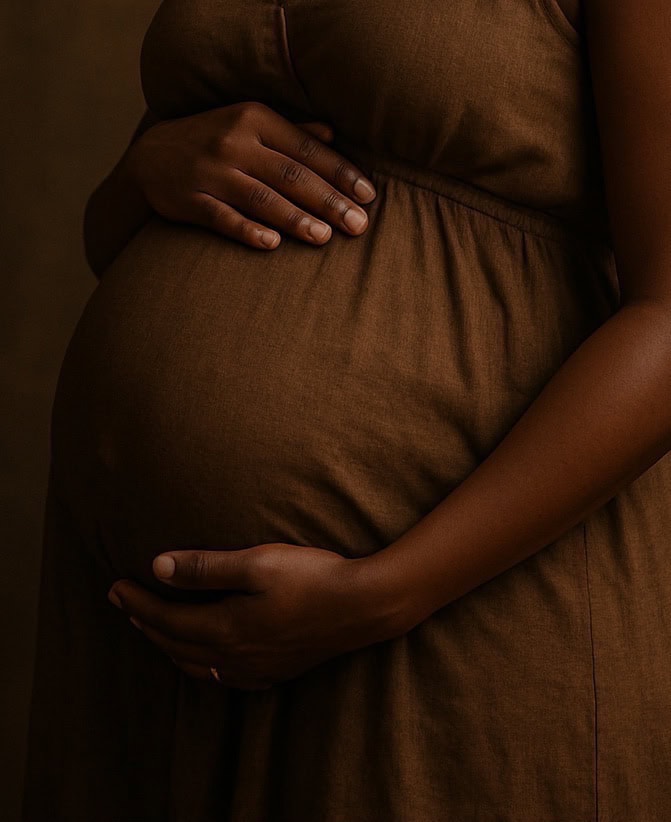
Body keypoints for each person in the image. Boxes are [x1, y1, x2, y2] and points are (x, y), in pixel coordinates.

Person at [22, 0, 671, 819]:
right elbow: (112, 238)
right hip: (147, 657)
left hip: (455, 610)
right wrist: (145, 170)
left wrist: (383, 592)